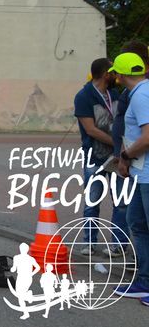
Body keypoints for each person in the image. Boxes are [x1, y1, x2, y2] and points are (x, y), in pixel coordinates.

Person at [73, 57, 126, 253]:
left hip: (117, 157)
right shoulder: (84, 96)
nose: (117, 76)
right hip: (94, 157)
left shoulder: (115, 94)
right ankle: (89, 242)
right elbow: (91, 130)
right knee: (92, 202)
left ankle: (118, 245)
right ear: (105, 74)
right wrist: (118, 144)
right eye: (113, 72)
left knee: (121, 202)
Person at [113, 51, 149, 304]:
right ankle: (144, 281)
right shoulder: (142, 91)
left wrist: (125, 155)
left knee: (140, 224)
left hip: (147, 174)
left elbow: (147, 137)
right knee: (136, 222)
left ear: (120, 75)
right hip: (141, 171)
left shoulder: (141, 96)